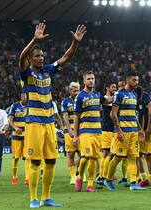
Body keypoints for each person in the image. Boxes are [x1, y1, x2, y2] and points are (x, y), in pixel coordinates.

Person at [19, 22, 86, 208]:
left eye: (42, 55)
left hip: (49, 123)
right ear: (31, 59)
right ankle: (33, 198)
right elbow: (21, 56)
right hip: (33, 122)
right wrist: (34, 40)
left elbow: (65, 58)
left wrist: (75, 43)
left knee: (50, 161)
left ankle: (46, 197)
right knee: (34, 161)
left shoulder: (48, 70)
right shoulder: (26, 73)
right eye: (37, 56)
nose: (41, 58)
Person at [104, 71, 146, 191]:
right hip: (123, 131)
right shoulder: (119, 94)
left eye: (137, 80)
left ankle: (133, 183)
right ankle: (107, 179)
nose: (136, 82)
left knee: (133, 157)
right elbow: (113, 114)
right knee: (117, 157)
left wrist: (140, 129)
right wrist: (119, 131)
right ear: (127, 80)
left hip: (133, 131)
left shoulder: (134, 95)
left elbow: (134, 114)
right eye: (134, 80)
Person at [74, 71, 102, 193]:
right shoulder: (80, 96)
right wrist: (75, 135)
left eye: (93, 78)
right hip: (85, 131)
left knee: (94, 158)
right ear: (84, 81)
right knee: (86, 157)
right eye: (89, 79)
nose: (91, 80)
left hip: (97, 130)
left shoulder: (97, 95)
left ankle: (90, 184)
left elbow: (107, 101)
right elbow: (76, 117)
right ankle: (80, 176)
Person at [97, 81, 117, 186]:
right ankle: (102, 176)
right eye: (113, 87)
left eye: (116, 87)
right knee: (108, 154)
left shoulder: (111, 99)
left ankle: (103, 175)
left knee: (108, 154)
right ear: (107, 88)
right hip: (107, 129)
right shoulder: (104, 98)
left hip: (111, 129)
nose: (115, 89)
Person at [135, 86, 151, 187]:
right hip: (142, 128)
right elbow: (141, 115)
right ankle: (144, 178)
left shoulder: (145, 97)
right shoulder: (132, 97)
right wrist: (141, 130)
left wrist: (148, 128)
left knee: (148, 154)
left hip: (150, 128)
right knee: (139, 154)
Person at [61, 82, 80, 185]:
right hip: (70, 129)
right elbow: (65, 116)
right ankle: (73, 176)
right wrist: (69, 130)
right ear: (70, 91)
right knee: (71, 153)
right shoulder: (66, 102)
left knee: (83, 154)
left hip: (81, 129)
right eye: (74, 90)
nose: (76, 92)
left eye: (77, 90)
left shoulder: (81, 100)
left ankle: (79, 173)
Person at [8, 93, 29, 185]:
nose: (27, 99)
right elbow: (10, 120)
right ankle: (14, 176)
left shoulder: (30, 106)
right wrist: (15, 128)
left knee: (27, 157)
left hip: (27, 135)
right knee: (16, 157)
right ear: (21, 97)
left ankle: (27, 178)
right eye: (25, 97)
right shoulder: (15, 106)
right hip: (16, 135)